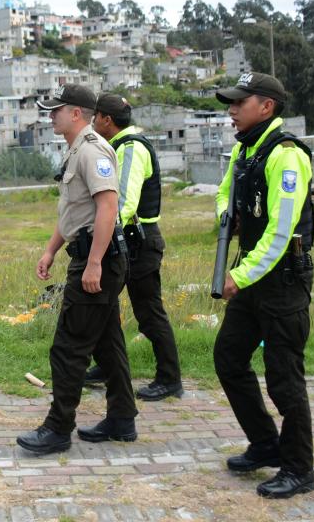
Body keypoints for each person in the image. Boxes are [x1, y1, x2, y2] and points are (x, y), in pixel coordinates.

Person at [15, 83, 138, 455]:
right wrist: (51, 250)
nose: (50, 115)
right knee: (107, 343)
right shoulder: (76, 151)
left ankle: (57, 428)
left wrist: (95, 263)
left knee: (68, 347)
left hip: (97, 259)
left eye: (56, 109)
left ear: (76, 114)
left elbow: (107, 207)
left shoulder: (93, 150)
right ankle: (121, 418)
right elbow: (74, 212)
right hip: (88, 253)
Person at [212, 72, 314, 499]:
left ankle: (299, 469)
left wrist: (238, 274)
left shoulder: (286, 155)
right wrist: (227, 214)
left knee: (284, 379)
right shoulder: (246, 151)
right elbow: (223, 193)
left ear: (266, 107)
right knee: (229, 358)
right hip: (256, 279)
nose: (232, 111)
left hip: (282, 282)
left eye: (239, 103)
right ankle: (265, 443)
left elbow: (279, 232)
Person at [85, 94, 182, 401]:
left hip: (139, 241)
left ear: (106, 120)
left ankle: (170, 379)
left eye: (95, 117)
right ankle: (106, 365)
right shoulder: (118, 147)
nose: (92, 122)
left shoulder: (131, 149)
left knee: (149, 313)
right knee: (104, 307)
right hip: (126, 239)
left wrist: (97, 237)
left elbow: (123, 203)